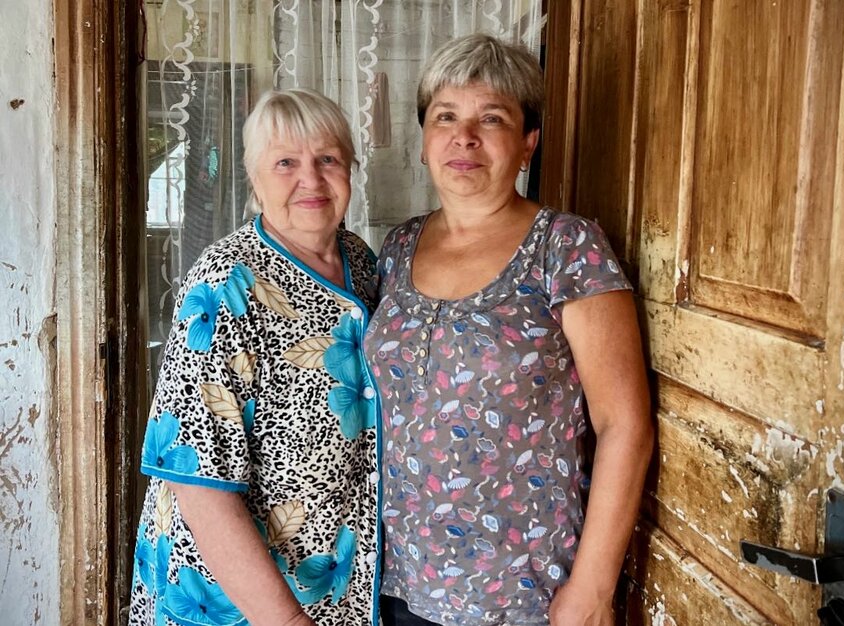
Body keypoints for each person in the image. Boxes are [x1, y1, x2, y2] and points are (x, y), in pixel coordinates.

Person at [364, 34, 653, 626]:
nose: (463, 136)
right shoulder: (396, 247)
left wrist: (594, 588)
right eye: (445, 116)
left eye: (490, 118)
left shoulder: (568, 247)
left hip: (526, 595)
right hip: (397, 585)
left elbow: (623, 424)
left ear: (528, 144)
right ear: (424, 143)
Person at [129, 89, 381, 626]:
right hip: (239, 597)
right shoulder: (226, 285)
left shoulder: (358, 259)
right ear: (254, 178)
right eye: (285, 162)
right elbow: (197, 482)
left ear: (351, 171)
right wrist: (286, 621)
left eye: (328, 159)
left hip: (333, 582)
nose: (310, 179)